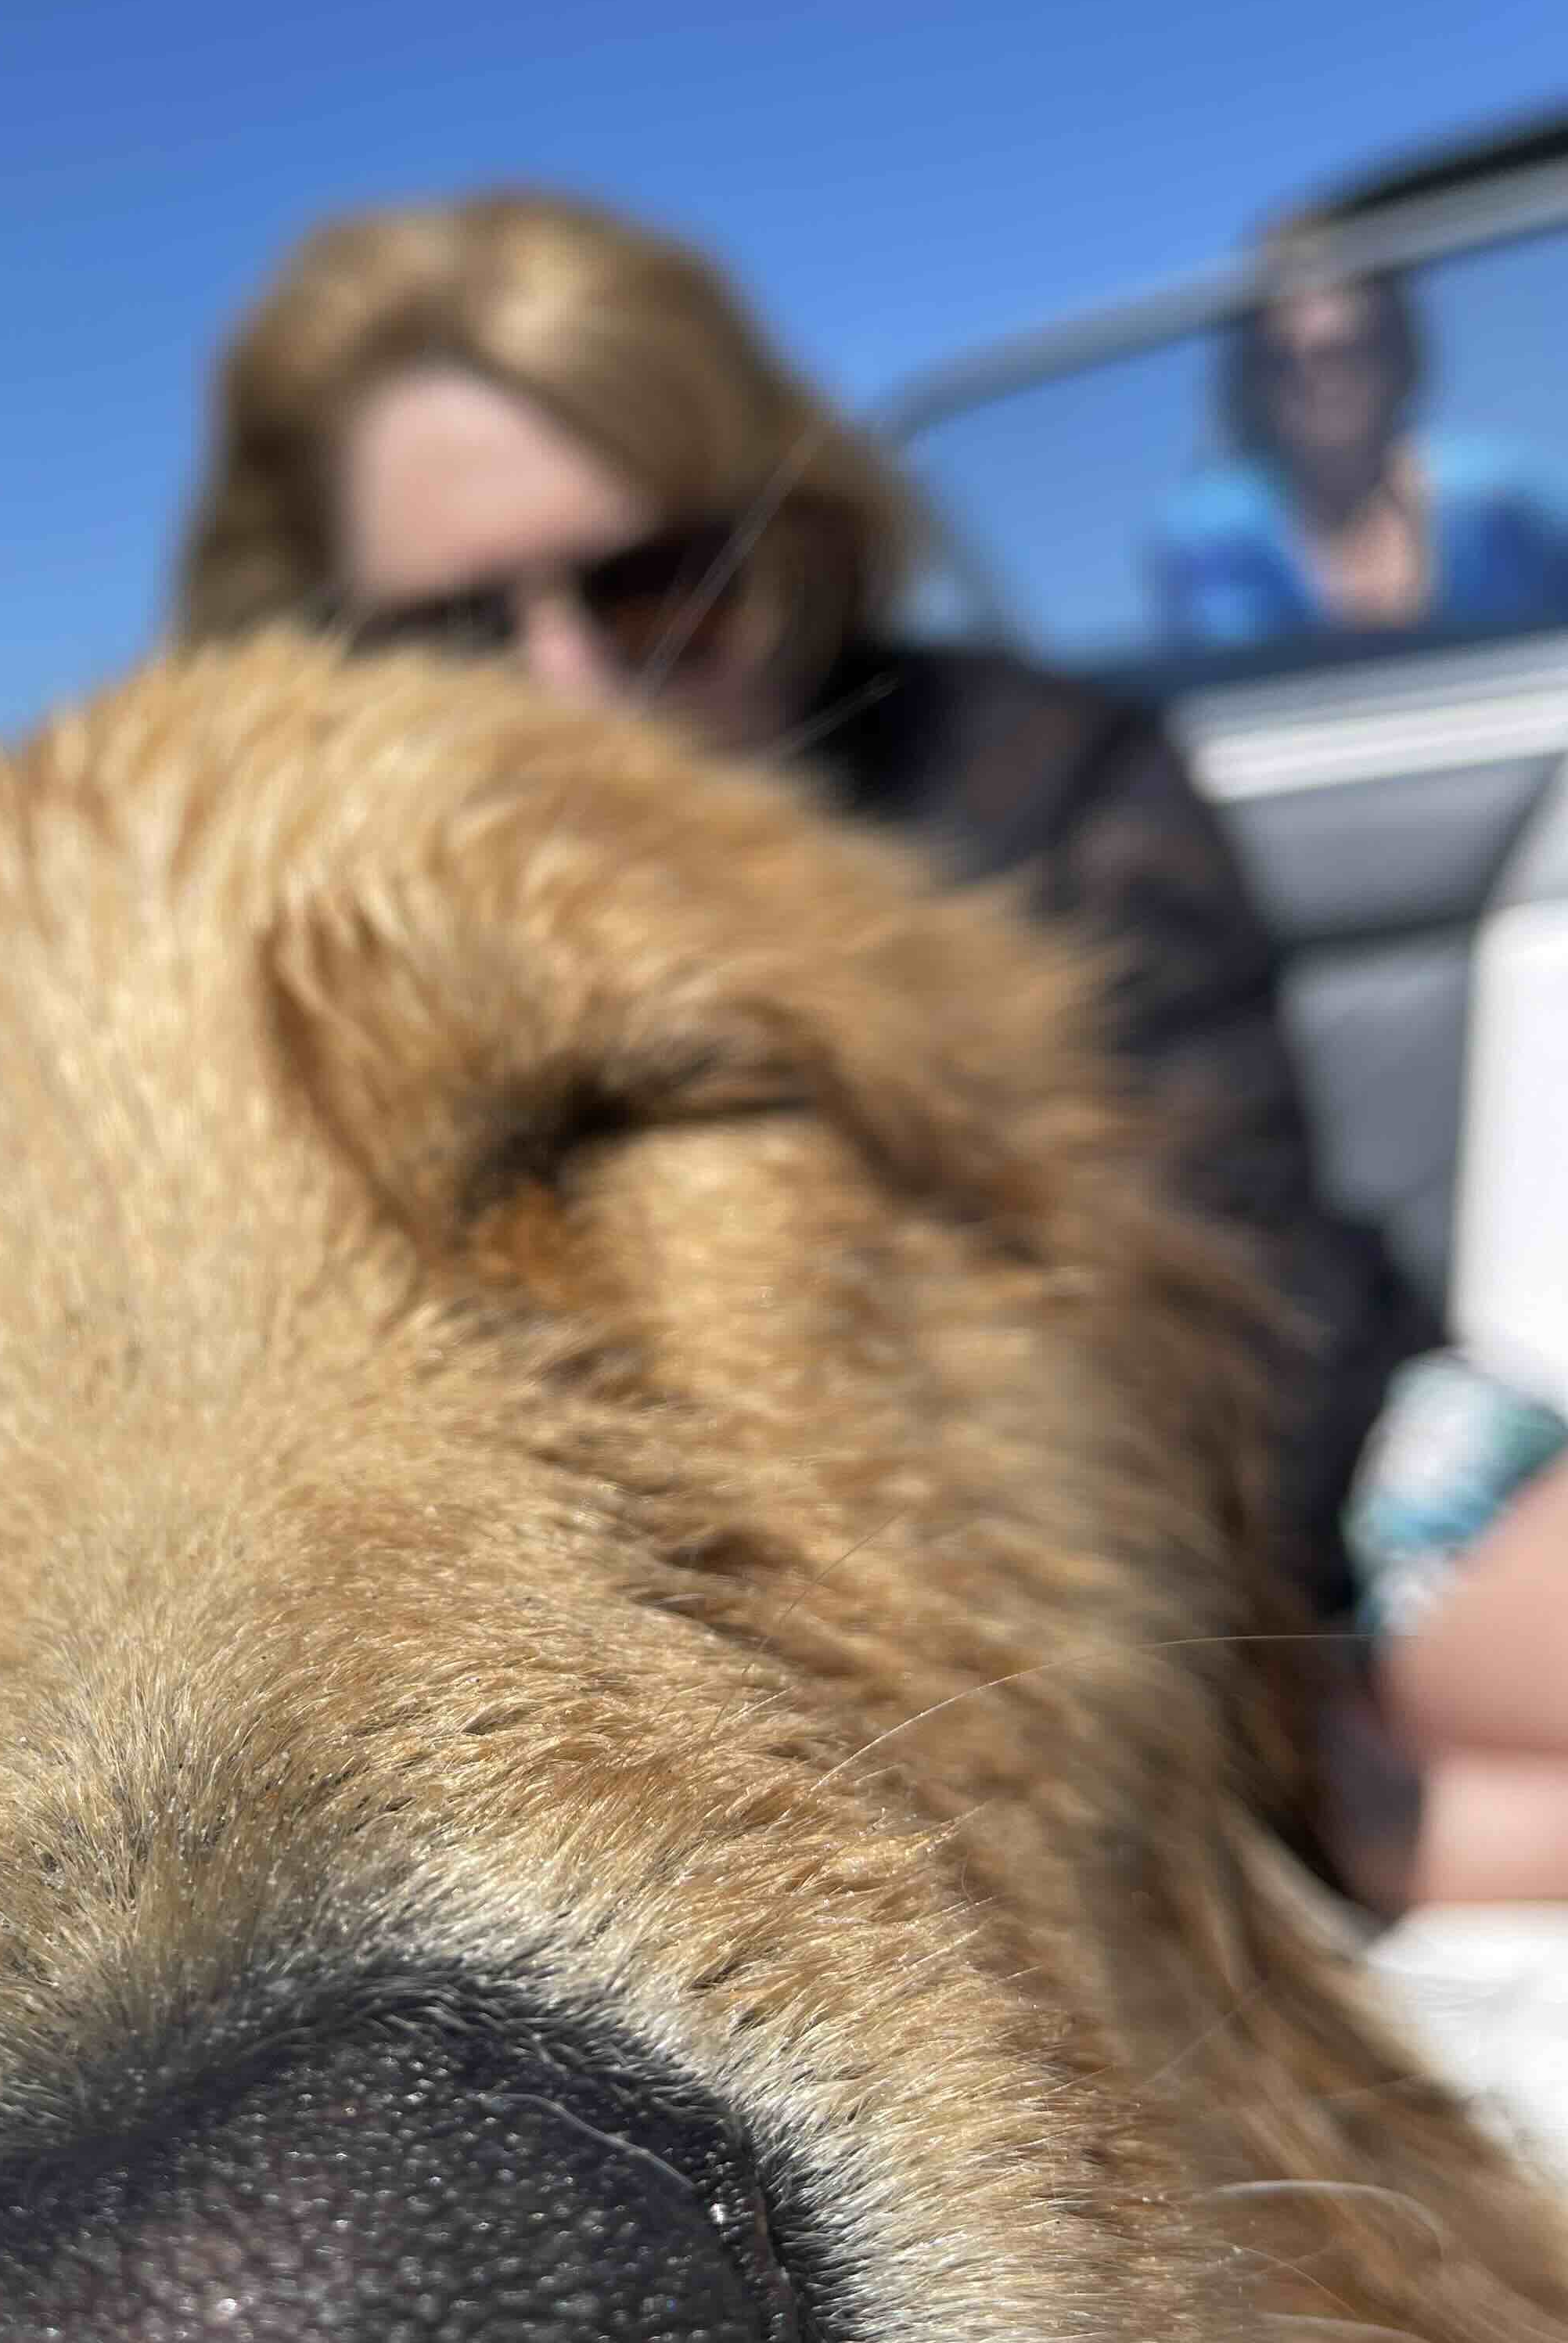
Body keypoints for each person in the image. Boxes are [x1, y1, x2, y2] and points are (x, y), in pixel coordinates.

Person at [170, 185, 1552, 1901]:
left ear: (786, 539)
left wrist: (1220, 1723)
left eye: (657, 586)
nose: (569, 692)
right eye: (447, 641)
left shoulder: (1037, 779)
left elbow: (1235, 1282)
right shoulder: (301, 995)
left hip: (1269, 1489)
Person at [1152, 257, 1568, 652]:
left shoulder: (1501, 496)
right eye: (1283, 361)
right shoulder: (1210, 536)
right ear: (1253, 381)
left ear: (1395, 355)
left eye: (1343, 351)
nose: (1316, 380)